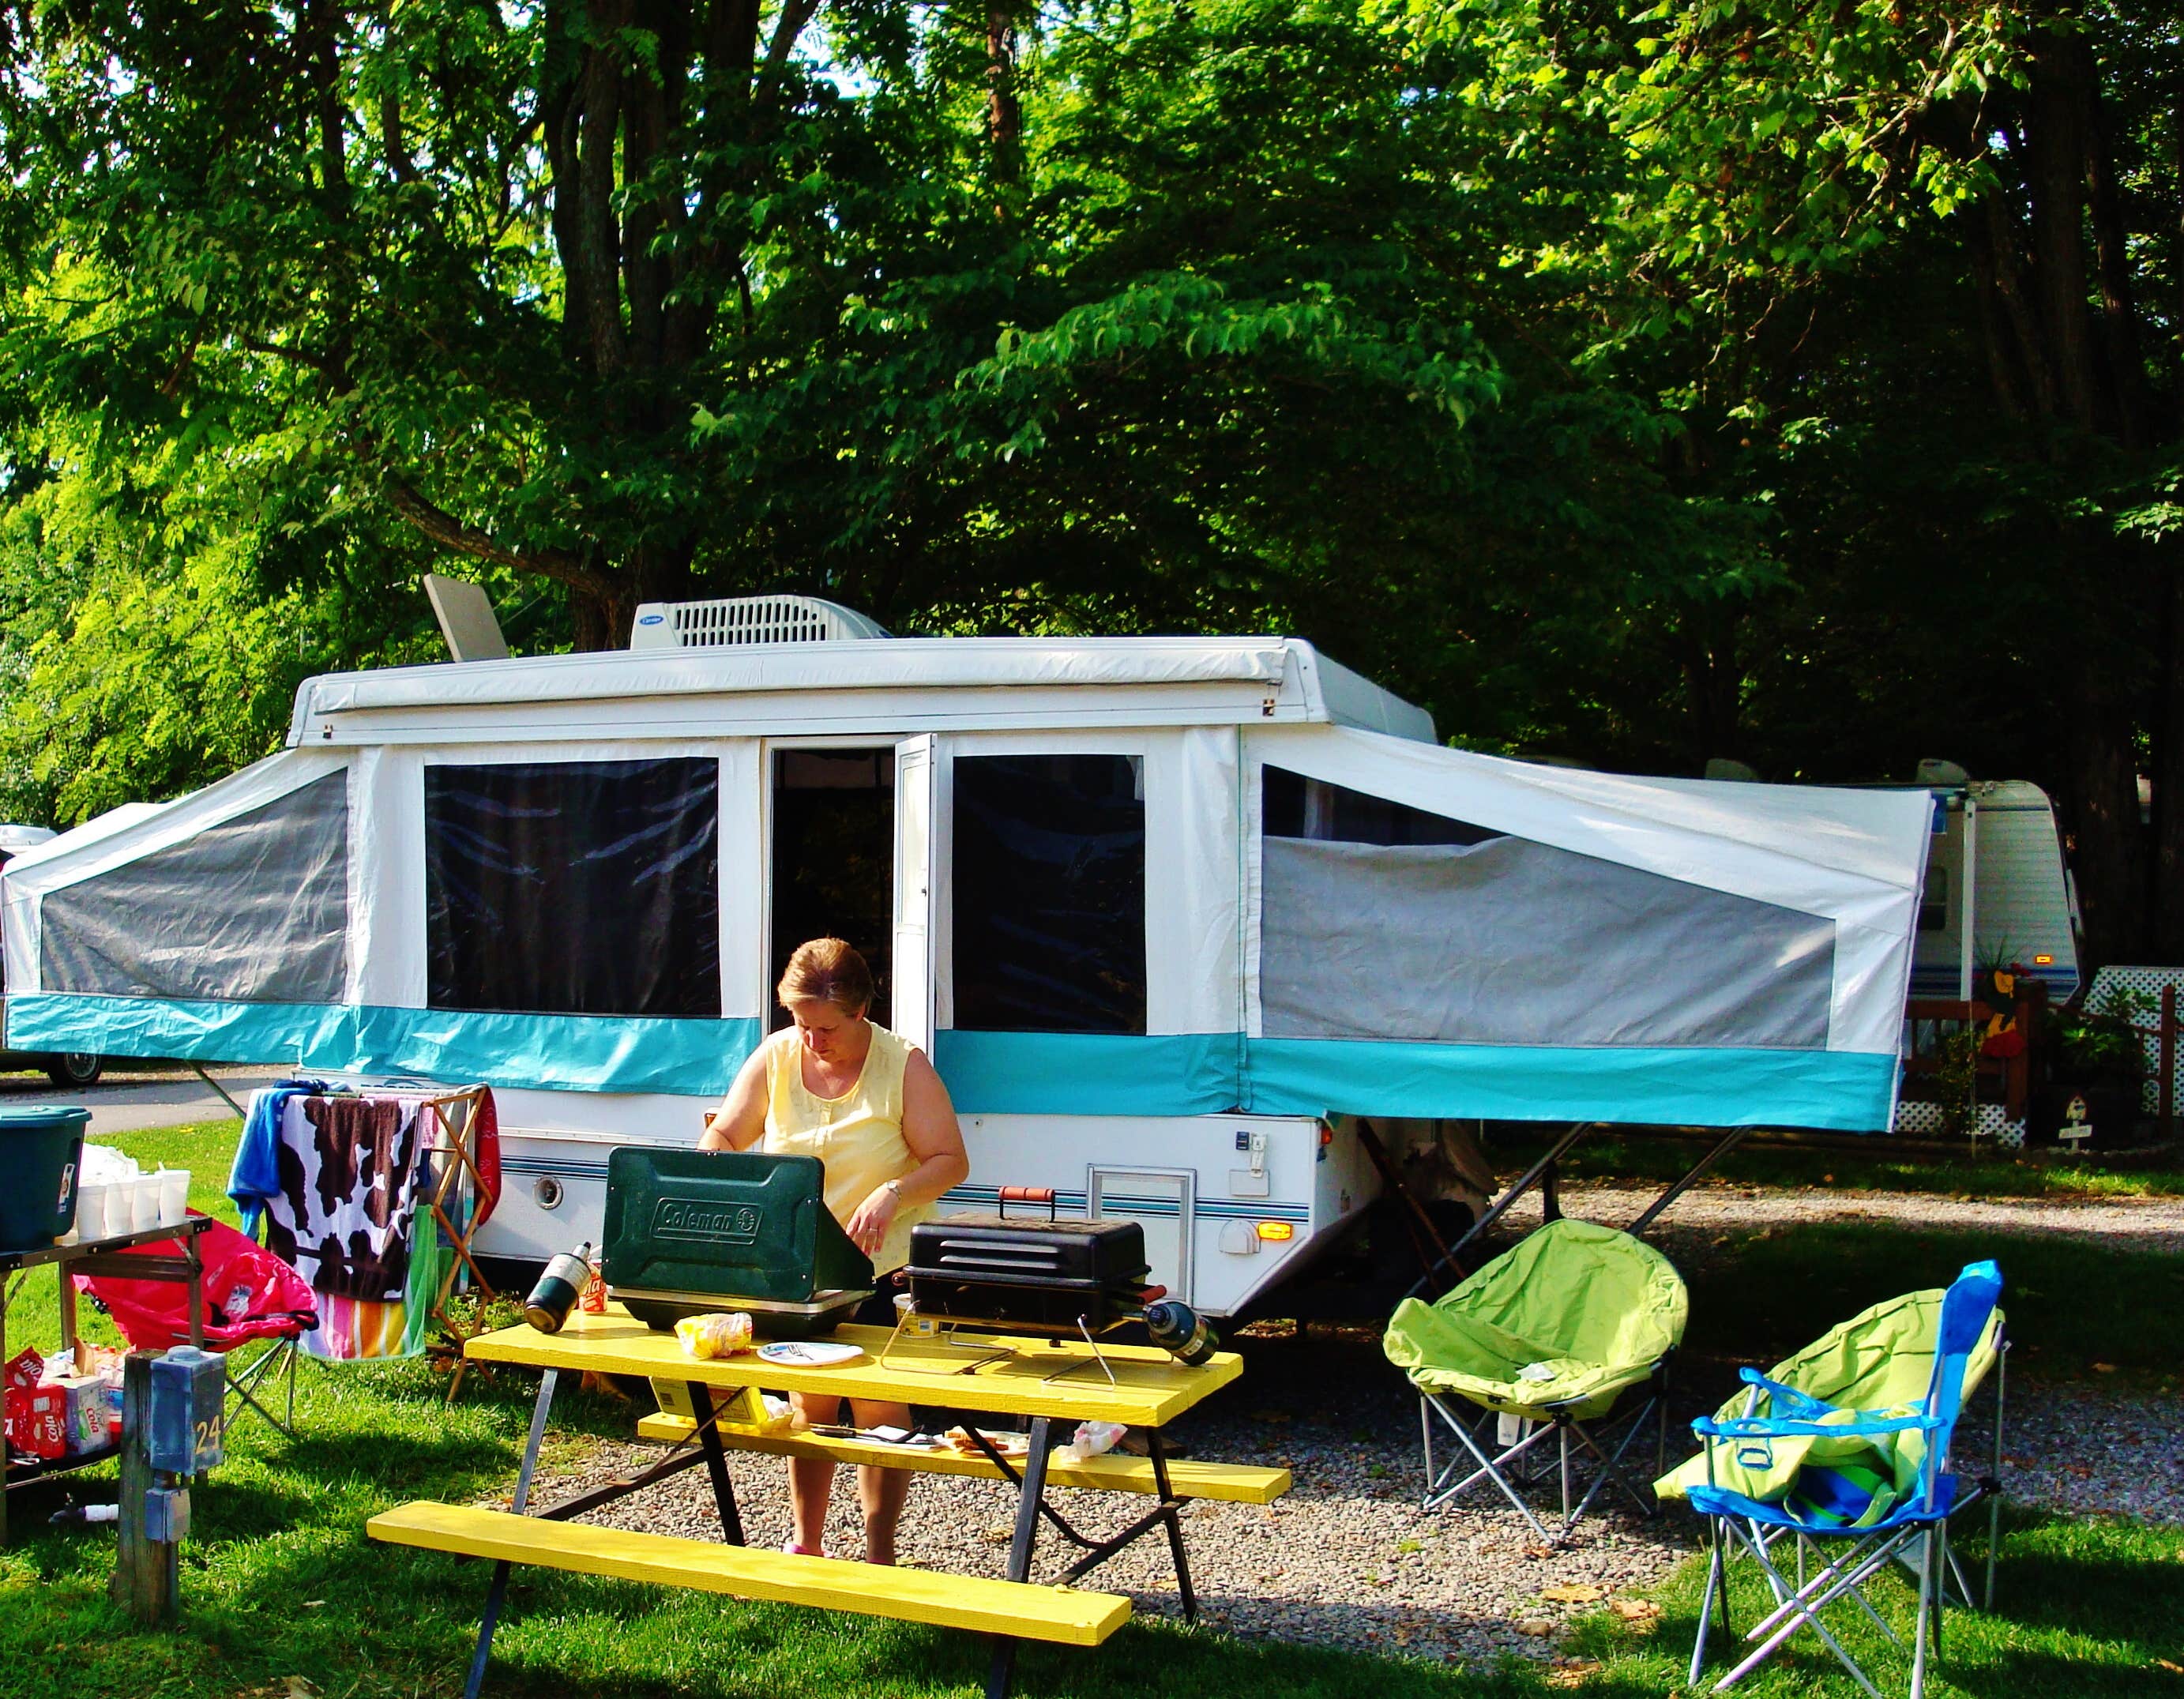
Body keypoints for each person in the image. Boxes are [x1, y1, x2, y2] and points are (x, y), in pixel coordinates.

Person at [699, 937, 969, 1564]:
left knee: (878, 1408)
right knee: (809, 1402)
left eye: (825, 1027)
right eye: (800, 1023)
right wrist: (709, 1165)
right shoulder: (776, 1055)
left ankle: (879, 1554)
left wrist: (892, 1192)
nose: (812, 1040)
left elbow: (950, 1160)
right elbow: (728, 1133)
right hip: (798, 1264)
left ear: (860, 1011)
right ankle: (807, 1542)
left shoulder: (903, 1064)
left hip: (876, 1267)